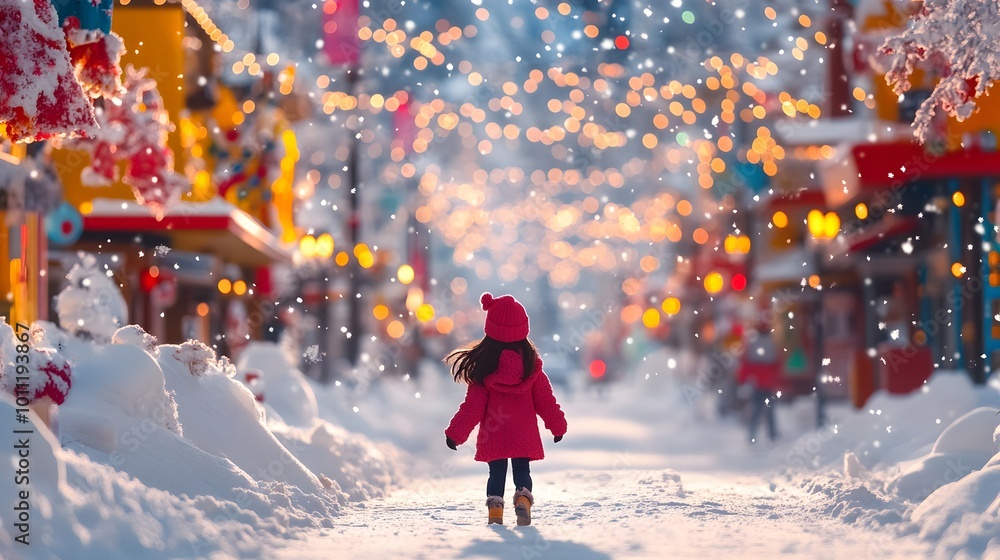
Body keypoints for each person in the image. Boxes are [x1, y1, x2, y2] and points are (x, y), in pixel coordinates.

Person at [445, 293, 568, 526]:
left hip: (495, 433)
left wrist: (455, 434)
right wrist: (557, 426)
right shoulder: (532, 368)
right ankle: (523, 497)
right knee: (522, 470)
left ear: (490, 331)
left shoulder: (484, 370)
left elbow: (472, 407)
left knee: (496, 473)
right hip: (523, 433)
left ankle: (495, 509)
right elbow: (546, 401)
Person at [737, 321, 780, 444]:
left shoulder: (752, 344)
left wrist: (743, 378)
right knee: (770, 411)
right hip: (769, 382)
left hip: (757, 383)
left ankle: (752, 435)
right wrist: (776, 379)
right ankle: (772, 435)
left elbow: (746, 362)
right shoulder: (772, 344)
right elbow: (778, 363)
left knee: (756, 410)